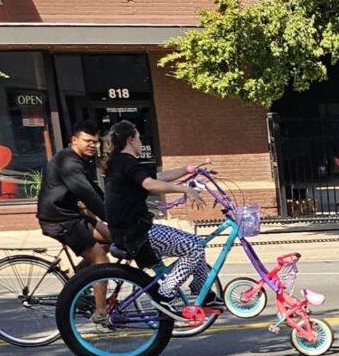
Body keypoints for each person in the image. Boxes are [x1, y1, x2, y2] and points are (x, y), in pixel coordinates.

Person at [102, 120, 224, 315]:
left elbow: (159, 177)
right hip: (135, 234)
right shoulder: (126, 161)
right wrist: (184, 189)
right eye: (139, 139)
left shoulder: (122, 163)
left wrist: (189, 169)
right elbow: (150, 184)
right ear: (130, 140)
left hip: (135, 229)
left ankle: (203, 294)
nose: (141, 143)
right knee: (195, 246)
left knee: (195, 242)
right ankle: (165, 295)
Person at [36, 120, 111, 319]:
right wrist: (109, 216)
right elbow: (85, 193)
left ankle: (77, 280)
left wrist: (114, 212)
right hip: (58, 219)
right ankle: (101, 312)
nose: (92, 145)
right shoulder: (68, 162)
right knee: (101, 260)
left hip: (72, 215)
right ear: (74, 140)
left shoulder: (78, 160)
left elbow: (93, 190)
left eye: (95, 142)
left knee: (112, 238)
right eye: (88, 141)